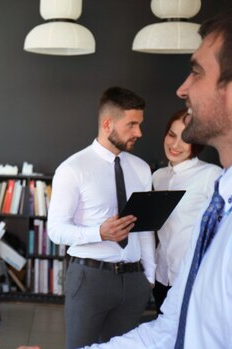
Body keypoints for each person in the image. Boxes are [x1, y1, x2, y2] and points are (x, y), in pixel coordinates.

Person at [86, 9, 232, 349]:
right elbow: (171, 330)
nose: (182, 89)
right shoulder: (218, 200)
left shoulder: (211, 184)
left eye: (196, 72)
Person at [47, 86, 155, 349]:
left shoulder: (141, 169)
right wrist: (99, 232)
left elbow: (145, 228)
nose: (139, 133)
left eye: (140, 125)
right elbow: (56, 230)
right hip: (90, 279)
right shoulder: (72, 169)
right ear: (108, 124)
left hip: (133, 281)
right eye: (132, 125)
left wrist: (148, 277)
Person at [151, 109, 221, 313]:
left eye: (185, 139)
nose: (175, 145)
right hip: (162, 277)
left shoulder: (211, 175)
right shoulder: (158, 177)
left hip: (193, 278)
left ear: (197, 143)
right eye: (171, 135)